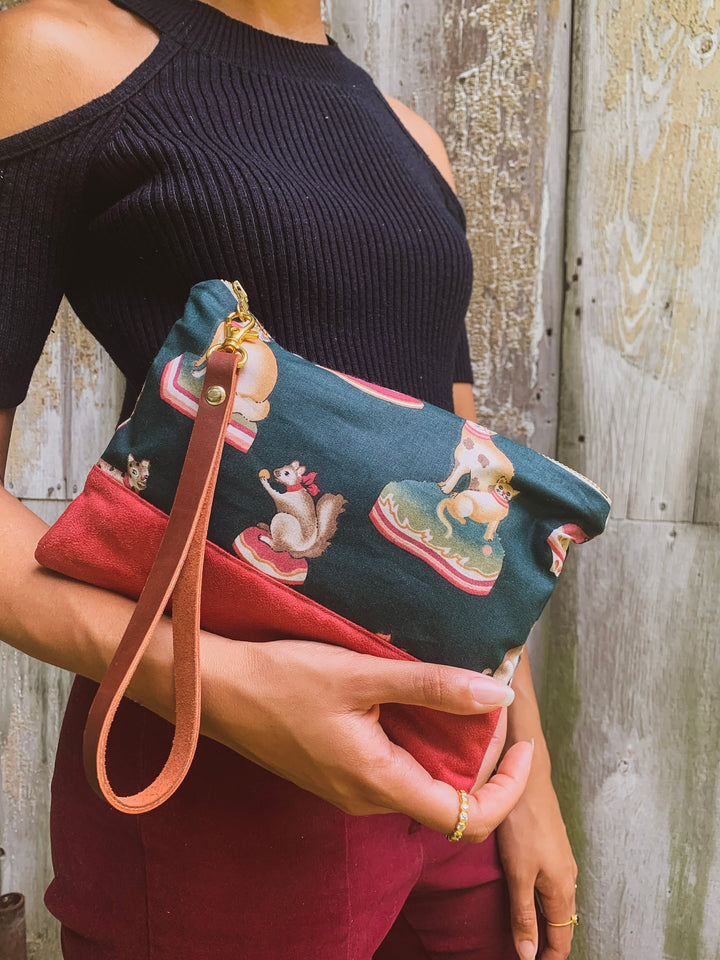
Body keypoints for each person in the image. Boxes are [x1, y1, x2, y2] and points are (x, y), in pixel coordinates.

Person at [0, 1, 578, 957]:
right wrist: (227, 689)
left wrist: (530, 766)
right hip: (215, 784)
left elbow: (462, 475)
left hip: (457, 778)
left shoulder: (414, 142)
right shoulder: (63, 56)